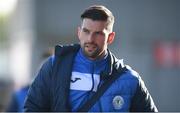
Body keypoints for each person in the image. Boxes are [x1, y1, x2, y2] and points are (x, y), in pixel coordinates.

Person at [24, 5, 158, 112]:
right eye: (86, 31)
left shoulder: (130, 80)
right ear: (79, 32)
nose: (90, 39)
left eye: (98, 33)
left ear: (110, 37)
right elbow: (33, 108)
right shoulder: (55, 66)